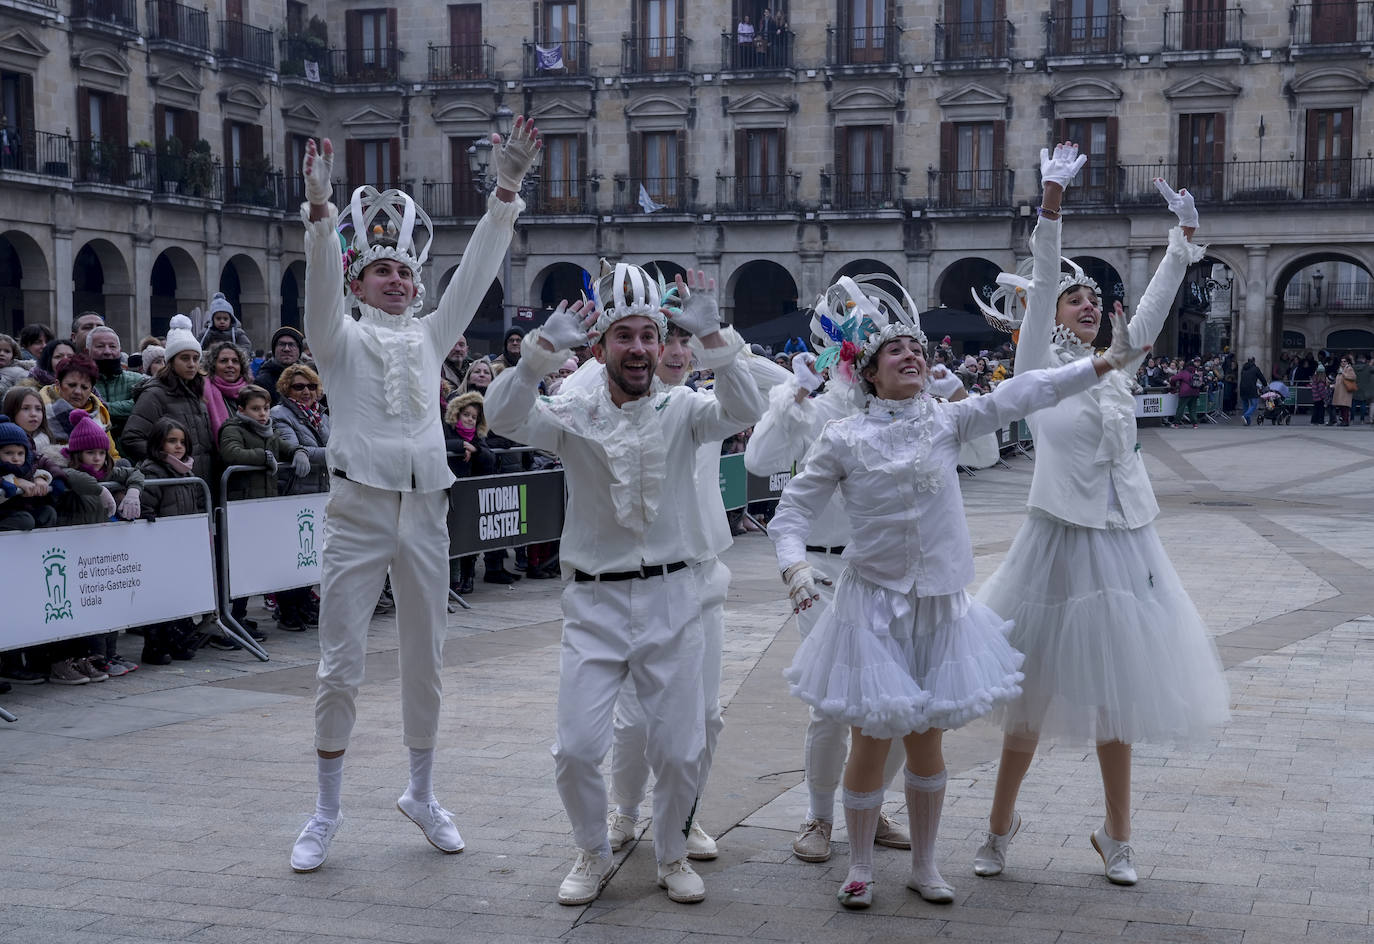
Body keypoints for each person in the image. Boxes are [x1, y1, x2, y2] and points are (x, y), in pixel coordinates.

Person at [768, 267, 1143, 911]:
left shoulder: (947, 420)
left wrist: (1101, 365)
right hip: (871, 606)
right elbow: (791, 515)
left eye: (917, 347)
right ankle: (858, 865)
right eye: (896, 350)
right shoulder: (843, 437)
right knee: (871, 738)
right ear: (869, 371)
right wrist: (796, 570)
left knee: (927, 738)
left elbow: (1026, 392)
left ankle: (925, 864)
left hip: (939, 606)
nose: (913, 355)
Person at [969, 149, 1230, 888]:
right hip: (1056, 542)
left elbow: (1148, 314)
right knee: (1029, 700)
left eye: (1092, 300)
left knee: (1119, 697)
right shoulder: (1034, 374)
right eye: (1075, 300)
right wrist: (1051, 203)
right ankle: (998, 827)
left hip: (1126, 543)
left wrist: (1182, 241)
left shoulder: (1116, 367)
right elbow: (1045, 273)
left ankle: (1118, 836)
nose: (1087, 305)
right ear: (1047, 315)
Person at [288, 118, 540, 874]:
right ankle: (327, 809)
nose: (397, 280)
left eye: (405, 272)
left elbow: (476, 278)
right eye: (382, 272)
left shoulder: (431, 336)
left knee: (425, 659)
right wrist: (322, 214)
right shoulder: (338, 339)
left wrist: (505, 193)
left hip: (427, 509)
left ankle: (422, 795)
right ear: (360, 279)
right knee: (340, 663)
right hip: (357, 510)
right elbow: (321, 290)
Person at [484, 265, 764, 906]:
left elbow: (745, 408)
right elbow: (502, 418)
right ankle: (590, 849)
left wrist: (714, 333)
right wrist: (536, 358)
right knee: (578, 748)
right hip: (594, 601)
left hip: (674, 600)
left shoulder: (684, 409)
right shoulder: (572, 413)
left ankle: (670, 855)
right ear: (601, 346)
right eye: (624, 337)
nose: (639, 349)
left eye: (648, 335)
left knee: (679, 746)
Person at [744, 290, 913, 866]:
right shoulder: (812, 407)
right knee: (833, 703)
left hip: (885, 571)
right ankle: (819, 817)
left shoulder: (895, 410)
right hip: (818, 570)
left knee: (891, 700)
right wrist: (793, 395)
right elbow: (758, 460)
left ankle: (870, 805)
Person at [46, 407, 145, 680]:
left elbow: (135, 473)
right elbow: (69, 476)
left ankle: (98, 656)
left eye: (101, 453)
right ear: (78, 454)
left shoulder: (110, 470)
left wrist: (133, 491)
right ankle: (66, 661)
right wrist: (98, 488)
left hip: (97, 552)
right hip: (70, 548)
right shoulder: (68, 473)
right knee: (72, 609)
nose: (98, 458)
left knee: (101, 606)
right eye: (91, 454)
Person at [135, 417, 206, 664]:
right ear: (158, 443)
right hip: (161, 546)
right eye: (171, 441)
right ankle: (155, 647)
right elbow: (146, 507)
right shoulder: (152, 471)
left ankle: (179, 642)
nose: (178, 446)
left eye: (182, 442)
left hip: (182, 544)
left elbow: (197, 502)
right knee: (160, 598)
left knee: (180, 595)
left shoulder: (187, 471)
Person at [122, 316, 217, 497]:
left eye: (196, 358)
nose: (192, 364)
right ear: (171, 361)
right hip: (172, 488)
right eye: (185, 358)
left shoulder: (197, 393)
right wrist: (167, 459)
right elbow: (132, 438)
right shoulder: (154, 394)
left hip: (202, 487)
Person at [271, 363, 330, 629]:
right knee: (291, 553)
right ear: (286, 389)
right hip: (295, 490)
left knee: (311, 552)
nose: (306, 391)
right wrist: (339, 455)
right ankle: (287, 609)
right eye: (298, 386)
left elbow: (329, 443)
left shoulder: (322, 414)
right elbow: (295, 448)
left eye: (311, 386)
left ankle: (306, 601)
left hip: (319, 490)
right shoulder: (280, 414)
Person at [442, 390, 496, 595]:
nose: (469, 420)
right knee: (450, 536)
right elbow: (437, 444)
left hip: (470, 493)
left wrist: (476, 449)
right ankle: (450, 578)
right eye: (466, 415)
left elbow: (490, 459)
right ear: (457, 414)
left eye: (474, 417)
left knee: (469, 536)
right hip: (449, 492)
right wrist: (459, 445)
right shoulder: (448, 431)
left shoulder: (478, 437)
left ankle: (468, 575)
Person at [41, 354, 120, 458]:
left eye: (84, 387)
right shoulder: (39, 408)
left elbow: (112, 455)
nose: (78, 392)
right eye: (71, 385)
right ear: (58, 384)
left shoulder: (99, 411)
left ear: (91, 389)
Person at [0, 411, 56, 531]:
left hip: (24, 509)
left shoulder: (27, 466)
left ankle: (40, 547)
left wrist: (41, 478)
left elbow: (38, 468)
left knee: (48, 512)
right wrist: (15, 481)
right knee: (25, 520)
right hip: (6, 514)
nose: (15, 458)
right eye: (8, 453)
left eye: (20, 453)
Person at [87, 326, 145, 440]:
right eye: (100, 346)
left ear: (120, 350)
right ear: (87, 351)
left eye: (112, 346)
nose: (107, 352)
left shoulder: (137, 380)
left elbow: (142, 407)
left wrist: (104, 408)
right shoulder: (82, 383)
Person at [202, 340, 252, 442]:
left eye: (235, 361)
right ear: (213, 365)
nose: (230, 365)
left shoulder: (251, 393)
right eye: (223, 361)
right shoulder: (203, 392)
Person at [255, 326, 305, 405]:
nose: (286, 349)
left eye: (291, 345)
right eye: (282, 344)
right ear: (274, 349)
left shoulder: (309, 378)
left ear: (299, 350)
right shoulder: (262, 381)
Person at [1239, 356, 1266, 426]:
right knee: (1254, 404)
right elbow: (1261, 377)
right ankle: (1246, 415)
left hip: (1242, 388)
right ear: (1254, 361)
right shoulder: (1255, 369)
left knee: (1245, 404)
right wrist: (1265, 385)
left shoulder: (1243, 369)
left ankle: (1247, 422)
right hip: (1251, 388)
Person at [1331, 356, 1356, 426]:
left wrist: (1343, 373)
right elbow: (1338, 380)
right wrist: (1334, 386)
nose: (1343, 363)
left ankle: (1345, 421)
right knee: (1342, 407)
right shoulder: (1340, 369)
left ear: (1347, 362)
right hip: (1340, 391)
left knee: (1345, 407)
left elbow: (1353, 377)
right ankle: (1343, 421)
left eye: (1344, 361)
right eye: (1342, 361)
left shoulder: (1349, 368)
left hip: (1345, 391)